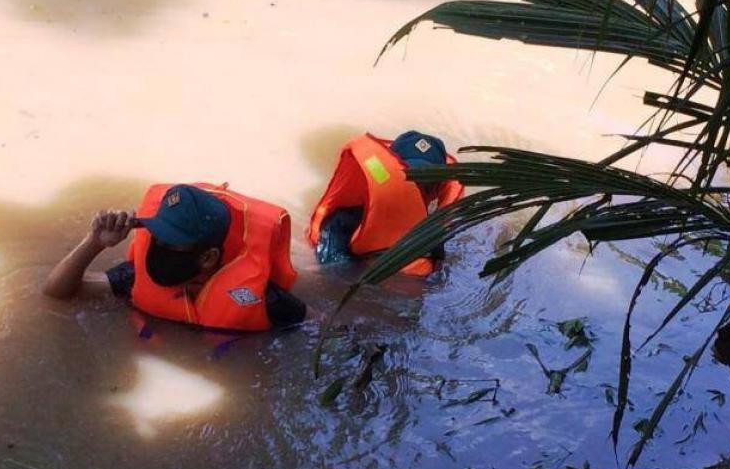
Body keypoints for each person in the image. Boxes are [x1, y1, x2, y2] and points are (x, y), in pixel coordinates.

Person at [42, 183, 306, 331]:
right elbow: (57, 292)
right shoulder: (138, 275)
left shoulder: (267, 302)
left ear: (208, 257)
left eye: (171, 243)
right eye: (156, 237)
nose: (157, 247)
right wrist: (94, 243)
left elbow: (311, 332)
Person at [307, 130, 464, 276]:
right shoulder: (352, 215)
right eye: (412, 179)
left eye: (428, 181)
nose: (418, 187)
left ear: (438, 189)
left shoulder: (440, 232)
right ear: (392, 174)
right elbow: (331, 274)